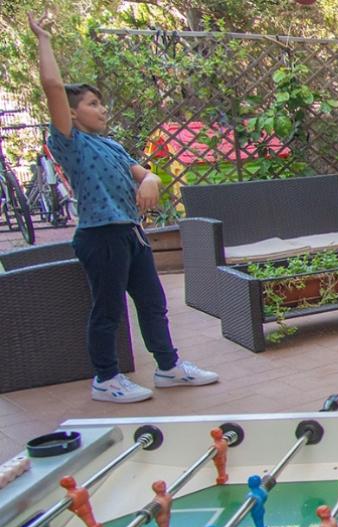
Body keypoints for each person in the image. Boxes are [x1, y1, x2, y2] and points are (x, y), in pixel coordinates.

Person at [30, 14, 217, 403]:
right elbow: (51, 86)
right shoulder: (70, 142)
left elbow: (146, 175)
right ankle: (106, 379)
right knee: (109, 310)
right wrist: (43, 39)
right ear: (72, 113)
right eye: (93, 104)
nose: (102, 109)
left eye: (101, 103)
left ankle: (168, 368)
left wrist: (150, 180)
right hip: (101, 237)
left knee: (153, 304)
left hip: (132, 234)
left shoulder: (111, 145)